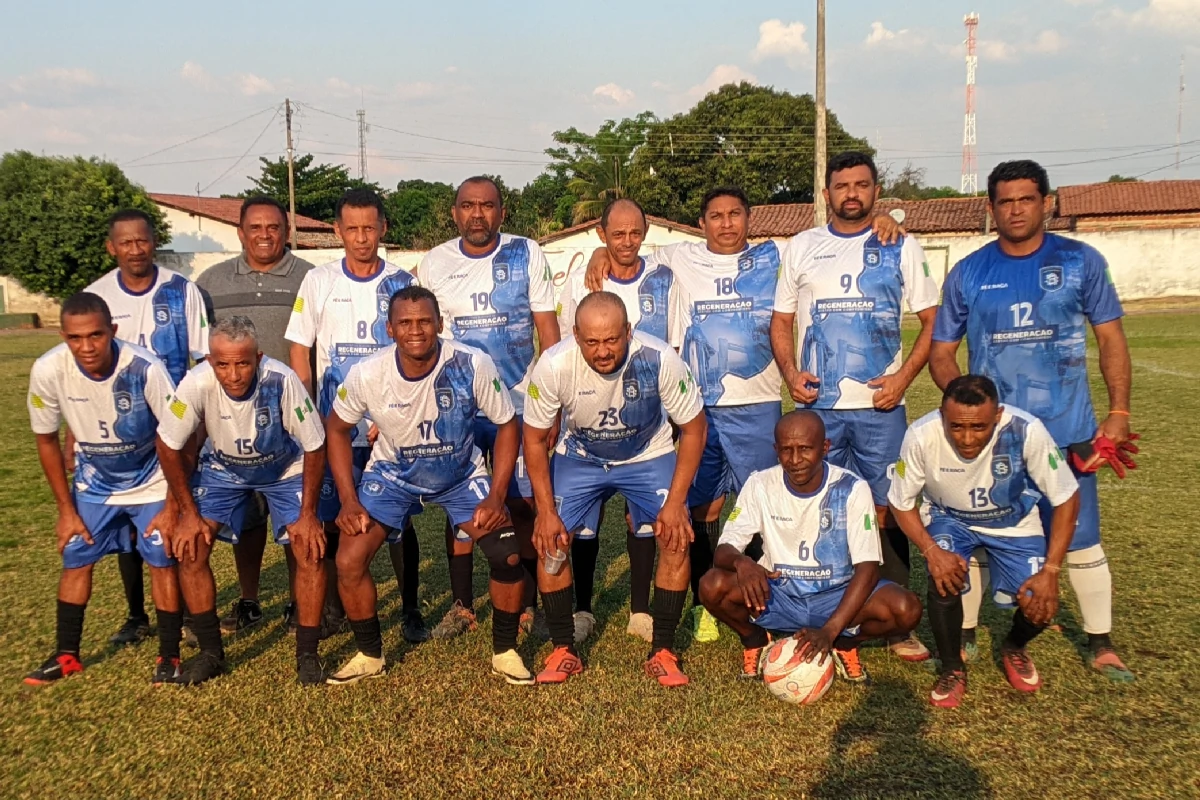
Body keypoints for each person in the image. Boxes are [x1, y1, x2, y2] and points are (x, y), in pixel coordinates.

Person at [928, 159, 1136, 682]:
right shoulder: (970, 272)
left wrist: (1118, 413)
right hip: (993, 441)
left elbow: (1110, 338)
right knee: (975, 527)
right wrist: (970, 410)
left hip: (1068, 430)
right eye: (1004, 200)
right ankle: (968, 633)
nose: (1015, 209)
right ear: (991, 207)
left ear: (1047, 202)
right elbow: (942, 352)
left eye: (1026, 198)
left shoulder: (1081, 260)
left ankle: (1100, 640)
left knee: (1081, 533)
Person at [770, 151, 942, 665]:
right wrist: (790, 374)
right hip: (819, 406)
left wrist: (901, 378)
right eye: (841, 185)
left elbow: (933, 323)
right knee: (827, 509)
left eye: (861, 185)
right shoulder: (802, 246)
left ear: (875, 189)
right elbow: (781, 324)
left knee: (891, 509)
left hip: (879, 407)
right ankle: (830, 617)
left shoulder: (899, 244)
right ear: (826, 193)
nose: (851, 193)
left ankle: (894, 620)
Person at [323, 286, 532, 685]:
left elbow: (507, 424)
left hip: (459, 475)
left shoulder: (472, 363)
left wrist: (495, 495)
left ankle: (505, 652)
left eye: (424, 321)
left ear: (439, 323)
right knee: (349, 560)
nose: (415, 330)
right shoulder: (368, 373)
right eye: (405, 322)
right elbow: (335, 429)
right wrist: (348, 500)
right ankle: (369, 654)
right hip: (393, 475)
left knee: (506, 555)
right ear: (389, 328)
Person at [524, 292, 707, 685]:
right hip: (581, 456)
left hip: (647, 454)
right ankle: (563, 649)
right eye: (591, 342)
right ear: (575, 334)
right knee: (551, 542)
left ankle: (663, 650)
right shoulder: (554, 364)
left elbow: (694, 428)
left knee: (676, 538)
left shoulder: (660, 360)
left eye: (612, 340)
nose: (603, 351)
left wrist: (676, 503)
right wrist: (545, 511)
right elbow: (535, 439)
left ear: (628, 330)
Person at [417, 176, 560, 640]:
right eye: (468, 206)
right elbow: (425, 335)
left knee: (522, 502)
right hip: (457, 405)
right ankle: (461, 606)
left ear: (502, 211)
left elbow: (547, 328)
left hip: (518, 400)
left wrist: (552, 404)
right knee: (459, 506)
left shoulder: (526, 252)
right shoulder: (435, 262)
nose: (477, 214)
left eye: (487, 205)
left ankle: (528, 606)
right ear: (455, 212)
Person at [285, 189, 427, 644]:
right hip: (336, 426)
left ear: (383, 228)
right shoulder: (319, 281)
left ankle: (410, 610)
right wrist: (308, 413)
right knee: (331, 517)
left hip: (390, 424)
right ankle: (332, 611)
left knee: (398, 522)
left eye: (370, 228)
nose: (362, 237)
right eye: (353, 229)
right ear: (338, 231)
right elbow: (299, 350)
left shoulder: (402, 282)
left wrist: (388, 413)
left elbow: (417, 352)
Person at [888, 375, 1080, 707]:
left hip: (1013, 523)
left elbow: (1066, 497)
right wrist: (932, 552)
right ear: (941, 414)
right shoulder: (921, 434)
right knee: (943, 578)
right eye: (956, 426)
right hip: (950, 519)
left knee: (1040, 602)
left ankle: (1014, 646)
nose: (966, 438)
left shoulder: (1026, 430)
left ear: (998, 415)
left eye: (979, 427)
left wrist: (1051, 570)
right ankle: (952, 668)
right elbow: (901, 502)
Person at [156, 316, 328, 685]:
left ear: (258, 357)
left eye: (243, 362)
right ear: (208, 360)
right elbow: (167, 443)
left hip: (284, 468)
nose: (233, 374)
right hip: (224, 469)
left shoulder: (282, 380)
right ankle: (210, 652)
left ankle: (308, 654)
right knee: (191, 547)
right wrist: (186, 512)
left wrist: (308, 514)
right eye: (222, 364)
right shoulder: (196, 381)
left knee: (308, 547)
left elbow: (315, 444)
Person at [24, 293, 183, 685]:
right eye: (76, 338)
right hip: (95, 485)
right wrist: (66, 510)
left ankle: (169, 654)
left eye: (96, 335)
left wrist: (172, 504)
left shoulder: (145, 367)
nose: (87, 346)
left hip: (151, 481)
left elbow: (179, 435)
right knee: (75, 554)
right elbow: (46, 439)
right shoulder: (48, 370)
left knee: (162, 556)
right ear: (63, 336)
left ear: (112, 330)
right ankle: (66, 655)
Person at [698, 410, 921, 683]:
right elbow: (725, 548)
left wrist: (831, 629)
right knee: (711, 585)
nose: (794, 460)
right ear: (775, 450)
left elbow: (868, 568)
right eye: (786, 450)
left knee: (905, 608)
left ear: (825, 448)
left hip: (836, 595)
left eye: (805, 449)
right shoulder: (759, 484)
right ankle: (754, 639)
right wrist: (742, 562)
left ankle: (844, 642)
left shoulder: (852, 488)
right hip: (778, 594)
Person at [556, 197, 679, 642]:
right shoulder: (582, 279)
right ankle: (583, 608)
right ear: (601, 235)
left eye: (635, 232)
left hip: (648, 420)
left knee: (644, 518)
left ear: (646, 233)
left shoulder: (666, 276)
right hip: (587, 421)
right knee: (586, 518)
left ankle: (641, 610)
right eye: (617, 234)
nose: (627, 242)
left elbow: (675, 346)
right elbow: (566, 348)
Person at [84, 209, 207, 647]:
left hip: (172, 426)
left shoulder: (182, 291)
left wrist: (199, 424)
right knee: (126, 523)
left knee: (170, 515)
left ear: (155, 242)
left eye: (143, 240)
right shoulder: (95, 295)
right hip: (116, 430)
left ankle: (188, 615)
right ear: (111, 247)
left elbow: (202, 361)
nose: (135, 249)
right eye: (126, 242)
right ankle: (137, 616)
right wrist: (71, 436)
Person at [195, 196, 317, 635]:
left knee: (293, 519)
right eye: (255, 228)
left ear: (287, 231)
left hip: (290, 422)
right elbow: (201, 353)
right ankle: (248, 600)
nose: (265, 235)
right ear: (241, 232)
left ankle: (294, 603)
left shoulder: (309, 278)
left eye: (273, 227)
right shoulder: (210, 282)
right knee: (246, 518)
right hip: (231, 426)